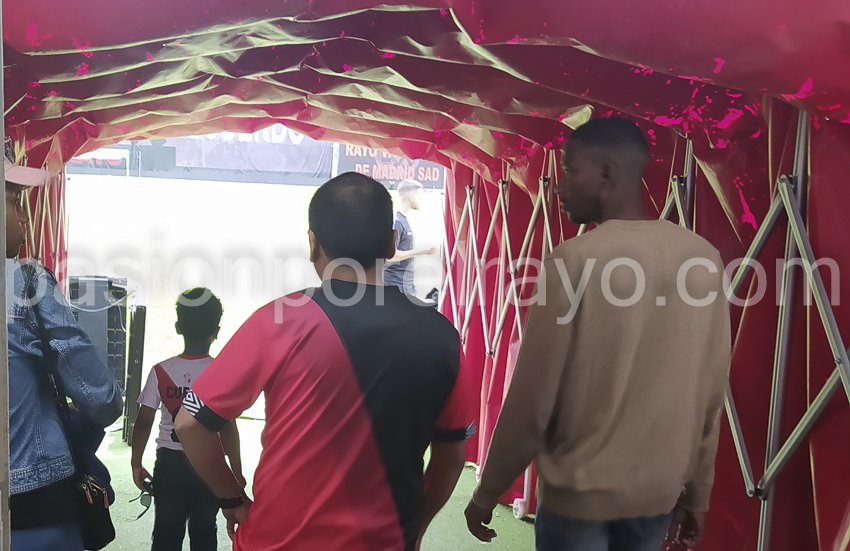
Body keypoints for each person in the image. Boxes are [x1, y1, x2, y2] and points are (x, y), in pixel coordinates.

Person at [464, 117, 731, 551]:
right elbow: (710, 392)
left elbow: (532, 400)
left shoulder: (574, 261)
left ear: (607, 173)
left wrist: (487, 490)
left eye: (571, 171)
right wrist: (697, 493)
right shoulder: (703, 259)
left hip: (579, 496)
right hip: (657, 494)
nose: (559, 185)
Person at [174, 172, 475, 551]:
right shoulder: (442, 334)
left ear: (313, 243)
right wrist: (413, 530)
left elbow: (189, 424)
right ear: (391, 243)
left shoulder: (280, 319)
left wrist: (232, 498)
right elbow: (451, 455)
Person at [6, 152, 124, 550]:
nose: (24, 219)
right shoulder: (26, 282)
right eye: (13, 202)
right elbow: (103, 400)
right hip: (31, 507)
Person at [132, 287, 244, 551]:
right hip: (209, 464)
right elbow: (228, 429)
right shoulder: (220, 372)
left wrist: (136, 462)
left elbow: (144, 421)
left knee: (166, 532)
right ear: (216, 331)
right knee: (205, 529)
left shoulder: (160, 371)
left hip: (169, 465)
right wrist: (236, 471)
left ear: (178, 326)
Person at [383, 179, 436, 296]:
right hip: (395, 285)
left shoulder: (404, 220)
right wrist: (420, 252)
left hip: (405, 285)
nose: (421, 200)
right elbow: (390, 256)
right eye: (419, 195)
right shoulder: (396, 222)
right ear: (411, 196)